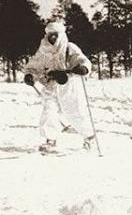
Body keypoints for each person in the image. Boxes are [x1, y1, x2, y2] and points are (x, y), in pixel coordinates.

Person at [23, 22, 92, 153]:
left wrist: (83, 68)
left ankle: (89, 136)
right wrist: (30, 75)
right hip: (51, 85)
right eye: (50, 35)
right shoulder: (43, 50)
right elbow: (34, 65)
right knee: (49, 111)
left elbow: (83, 60)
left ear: (61, 35)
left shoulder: (69, 47)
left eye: (55, 35)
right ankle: (50, 140)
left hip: (69, 84)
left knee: (74, 112)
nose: (53, 38)